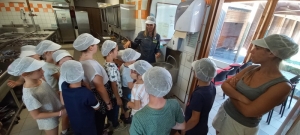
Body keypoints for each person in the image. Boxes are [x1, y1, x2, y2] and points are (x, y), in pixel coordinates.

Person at [212, 34, 299, 135]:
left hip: (241, 125)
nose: (251, 51)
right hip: (225, 111)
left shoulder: (282, 86)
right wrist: (242, 98)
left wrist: (231, 91)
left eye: (257, 48)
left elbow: (248, 112)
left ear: (271, 53)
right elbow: (224, 85)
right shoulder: (251, 68)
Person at [7, 57, 65, 135]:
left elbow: (47, 92)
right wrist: (60, 113)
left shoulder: (40, 80)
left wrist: (58, 93)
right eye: (39, 70)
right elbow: (36, 115)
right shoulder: (29, 94)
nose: (43, 71)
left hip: (55, 110)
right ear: (25, 74)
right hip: (48, 120)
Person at [73, 33, 113, 135]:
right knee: (99, 118)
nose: (97, 46)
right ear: (91, 47)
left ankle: (99, 129)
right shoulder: (91, 65)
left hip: (92, 94)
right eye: (95, 44)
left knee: (96, 119)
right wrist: (108, 103)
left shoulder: (82, 60)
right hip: (99, 96)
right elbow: (100, 87)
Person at [130, 67, 185, 135]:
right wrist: (166, 124)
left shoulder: (138, 117)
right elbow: (182, 126)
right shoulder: (174, 104)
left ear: (146, 87)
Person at [177, 58, 217, 135]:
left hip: (193, 130)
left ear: (197, 74)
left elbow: (194, 119)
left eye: (195, 70)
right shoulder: (212, 86)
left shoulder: (199, 95)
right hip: (202, 127)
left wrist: (183, 130)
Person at [60, 60, 100, 135]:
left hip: (74, 122)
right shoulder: (86, 93)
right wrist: (89, 89)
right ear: (81, 73)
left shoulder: (64, 86)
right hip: (87, 125)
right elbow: (97, 107)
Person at [101, 40, 126, 131]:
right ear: (110, 52)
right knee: (115, 111)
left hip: (110, 95)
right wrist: (118, 98)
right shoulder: (111, 67)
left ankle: (110, 122)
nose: (117, 52)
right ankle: (114, 126)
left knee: (110, 111)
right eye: (116, 50)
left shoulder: (107, 63)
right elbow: (113, 85)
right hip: (115, 96)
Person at [52, 50, 73, 135]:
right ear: (58, 65)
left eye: (70, 61)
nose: (68, 63)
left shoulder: (74, 71)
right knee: (67, 115)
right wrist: (66, 106)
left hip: (74, 101)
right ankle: (64, 132)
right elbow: (62, 97)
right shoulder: (63, 78)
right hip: (70, 102)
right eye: (64, 62)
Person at [119, 48, 141, 123]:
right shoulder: (128, 71)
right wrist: (138, 81)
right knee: (127, 104)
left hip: (123, 87)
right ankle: (127, 118)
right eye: (135, 58)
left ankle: (122, 114)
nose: (135, 60)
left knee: (123, 102)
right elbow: (130, 86)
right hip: (127, 90)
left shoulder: (123, 65)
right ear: (130, 60)